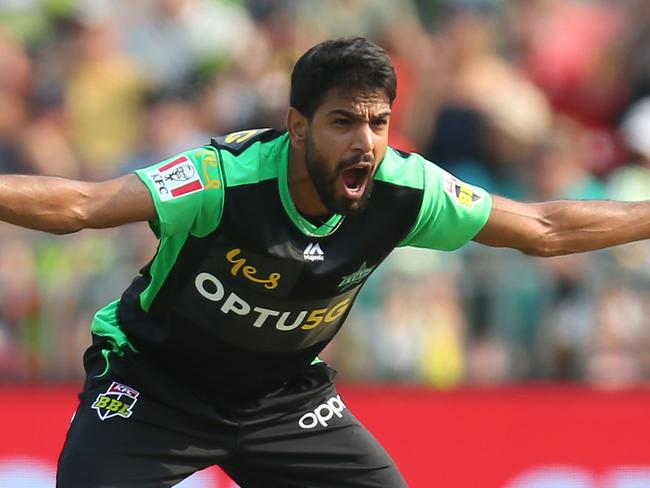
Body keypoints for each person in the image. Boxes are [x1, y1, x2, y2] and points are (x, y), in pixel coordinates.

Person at [3, 37, 649, 488]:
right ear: (298, 126)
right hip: (153, 386)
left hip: (283, 402)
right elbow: (82, 206)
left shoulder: (406, 190)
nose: (365, 143)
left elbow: (542, 228)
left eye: (378, 122)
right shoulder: (219, 179)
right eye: (343, 121)